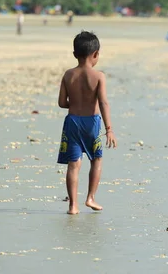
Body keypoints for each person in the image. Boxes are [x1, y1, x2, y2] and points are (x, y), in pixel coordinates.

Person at [57, 31, 117, 214]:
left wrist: (75, 104)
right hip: (93, 124)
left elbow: (61, 103)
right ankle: (90, 198)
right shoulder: (99, 76)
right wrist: (109, 129)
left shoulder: (68, 75)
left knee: (73, 164)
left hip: (73, 122)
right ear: (96, 54)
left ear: (74, 54)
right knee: (96, 160)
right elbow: (103, 102)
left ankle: (72, 205)